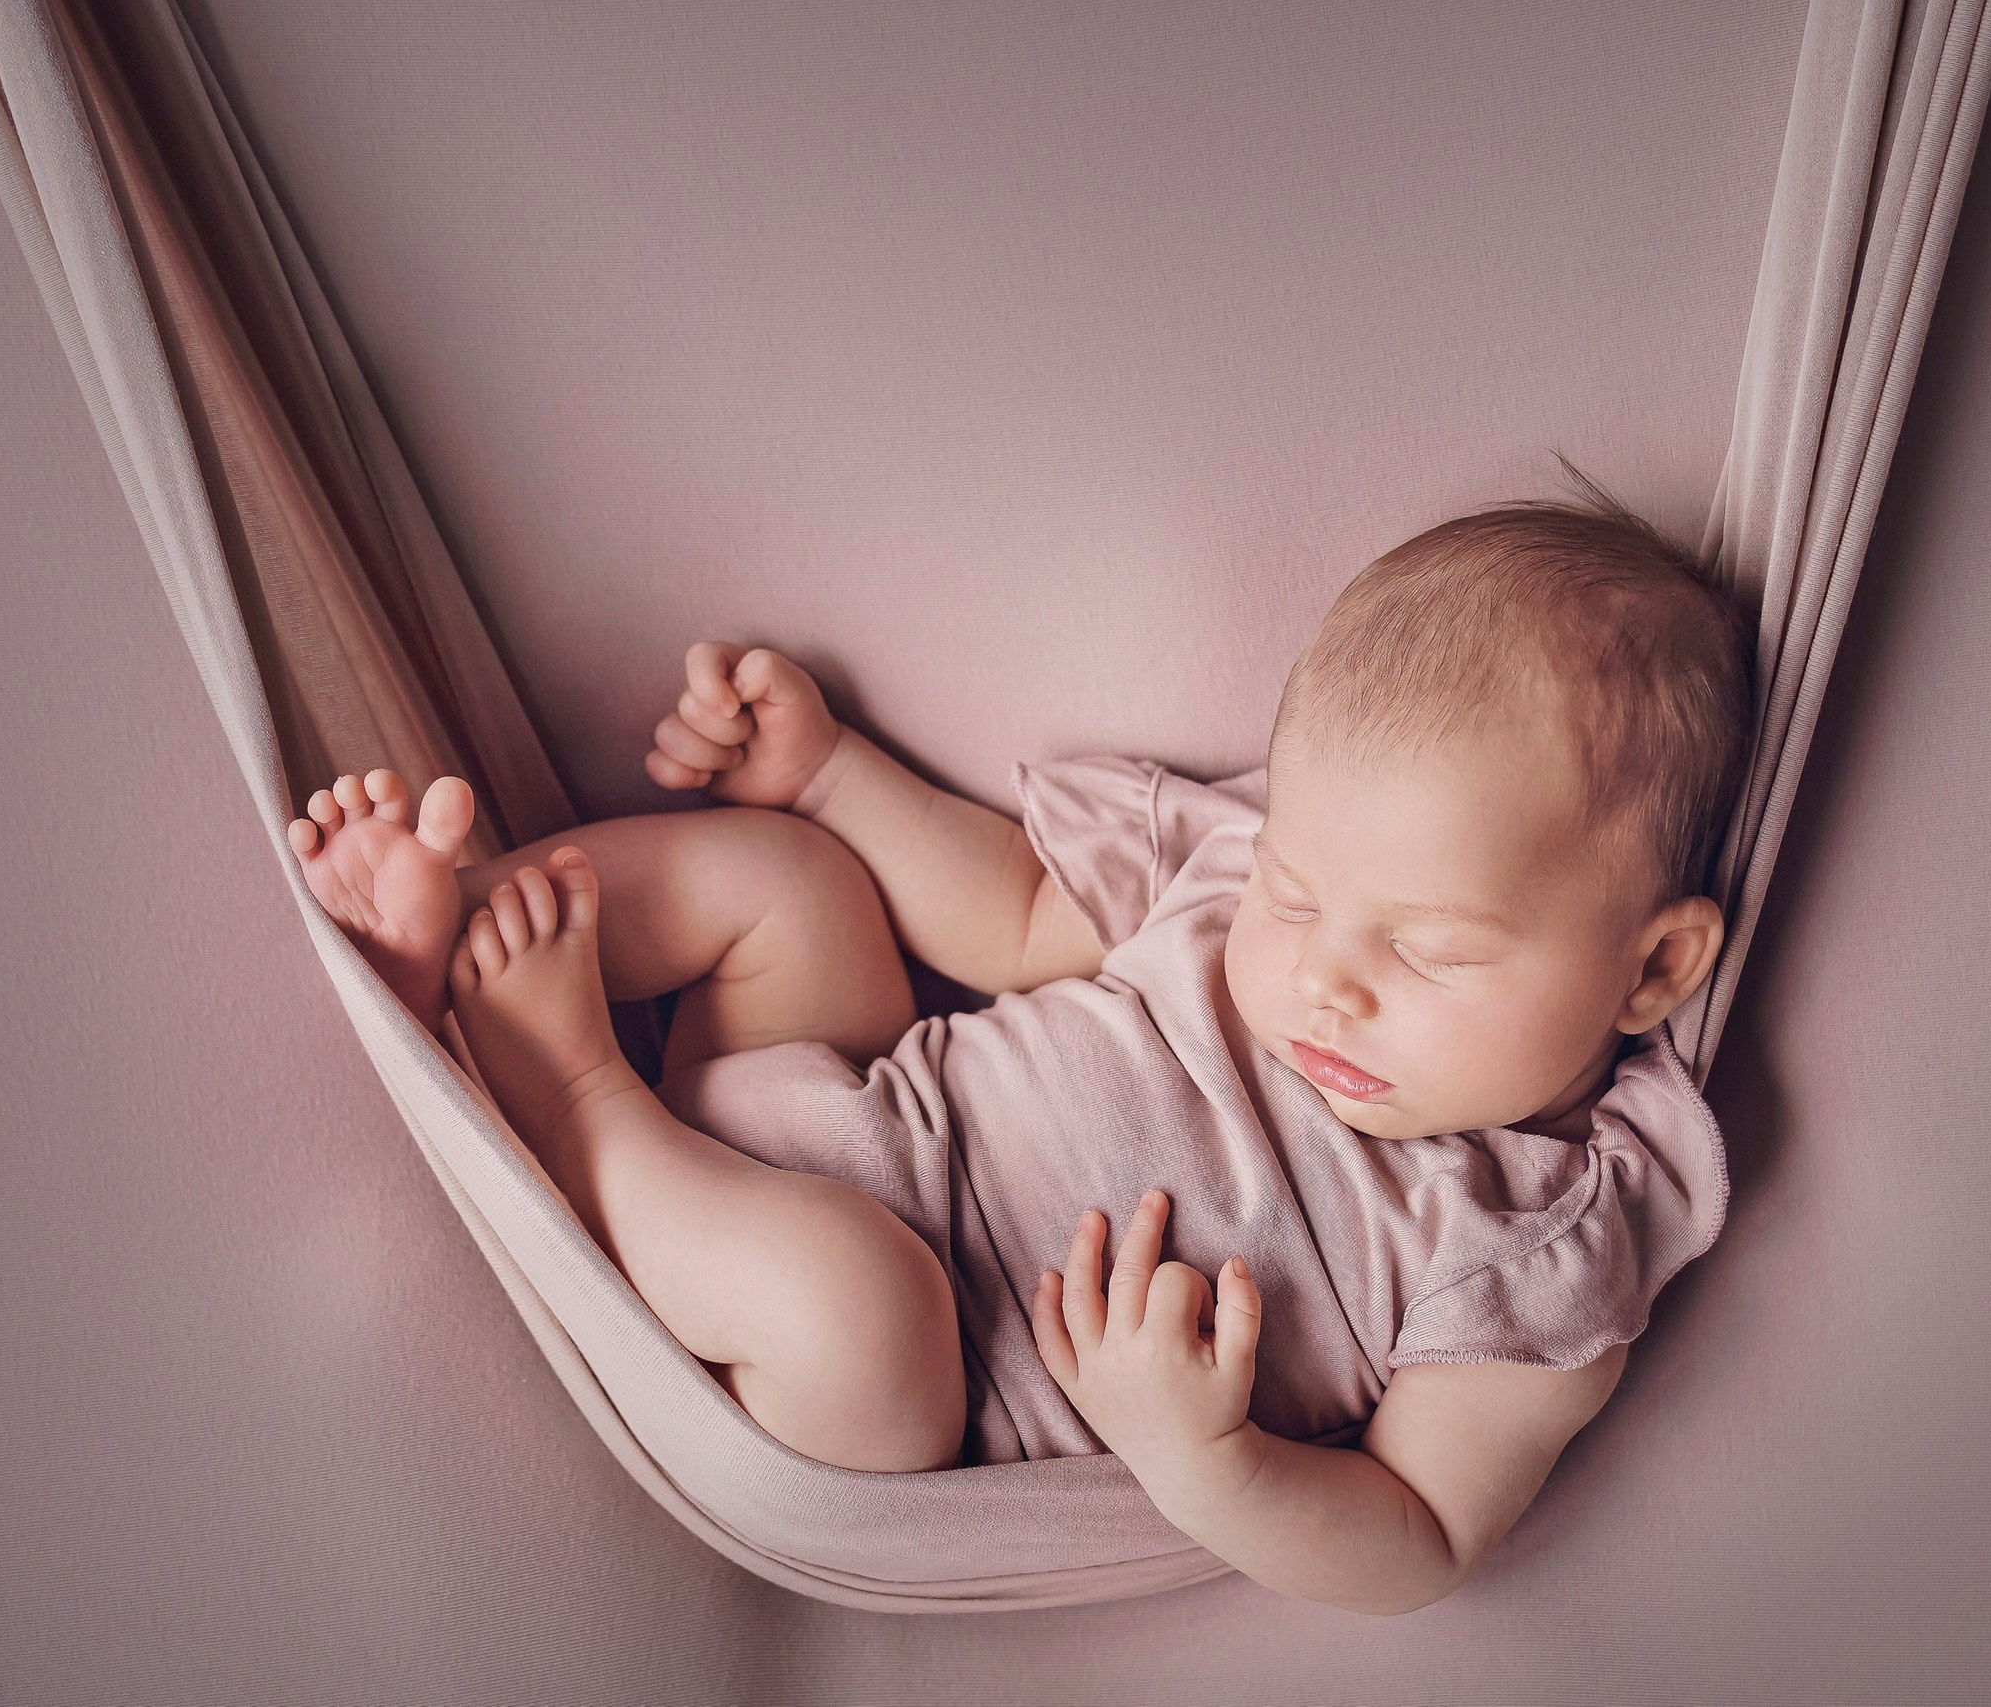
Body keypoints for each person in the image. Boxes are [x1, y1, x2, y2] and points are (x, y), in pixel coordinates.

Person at [287, 475, 1750, 1614]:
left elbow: (1421, 1539)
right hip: (861, 1108)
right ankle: (465, 915)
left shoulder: (1541, 1246)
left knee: (862, 1299)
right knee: (793, 884)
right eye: (1299, 896)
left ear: (1657, 964)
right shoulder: (1252, 864)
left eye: (1430, 950)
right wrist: (833, 777)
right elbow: (1021, 912)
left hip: (885, 1385)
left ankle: (559, 1083)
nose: (1324, 979)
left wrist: (1206, 1455)